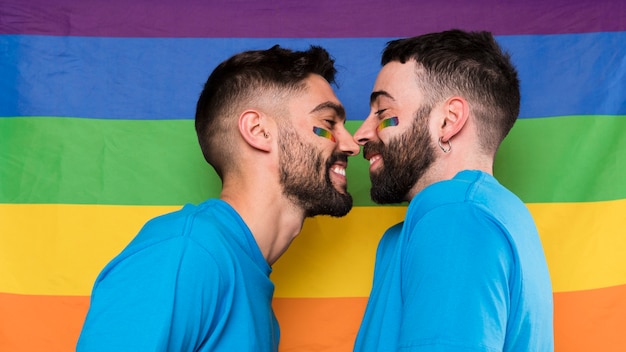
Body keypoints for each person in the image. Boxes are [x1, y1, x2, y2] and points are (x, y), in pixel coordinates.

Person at [76, 45, 360, 351]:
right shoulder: (184, 251)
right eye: (329, 124)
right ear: (258, 130)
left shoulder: (245, 280)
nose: (352, 144)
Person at [353, 30, 554, 351]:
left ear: (448, 121)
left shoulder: (455, 215)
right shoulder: (503, 213)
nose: (361, 134)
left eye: (384, 115)